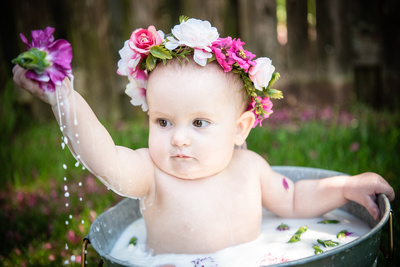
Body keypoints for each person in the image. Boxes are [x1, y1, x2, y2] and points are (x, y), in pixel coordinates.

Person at [12, 17, 394, 256]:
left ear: (240, 129)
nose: (178, 139)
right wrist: (63, 98)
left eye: (199, 123)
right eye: (163, 122)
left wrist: (344, 186)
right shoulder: (151, 173)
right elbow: (105, 158)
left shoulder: (250, 167)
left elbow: (294, 196)